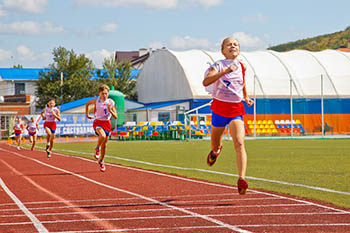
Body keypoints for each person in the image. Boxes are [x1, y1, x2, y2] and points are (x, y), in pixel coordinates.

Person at [203, 37, 254, 195]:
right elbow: (206, 82)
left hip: (235, 110)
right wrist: (225, 71)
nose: (233, 46)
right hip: (219, 110)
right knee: (215, 145)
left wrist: (246, 97)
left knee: (239, 143)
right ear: (223, 50)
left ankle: (241, 179)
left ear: (239, 49)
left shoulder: (241, 66)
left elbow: (242, 82)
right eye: (229, 44)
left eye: (236, 44)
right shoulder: (218, 65)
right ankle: (215, 152)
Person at [85, 84, 118, 172]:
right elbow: (87, 104)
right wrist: (87, 114)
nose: (104, 95)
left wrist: (111, 110)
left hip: (107, 123)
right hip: (98, 122)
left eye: (106, 93)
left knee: (105, 145)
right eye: (102, 93)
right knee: (102, 136)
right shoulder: (96, 101)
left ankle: (102, 161)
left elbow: (115, 116)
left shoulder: (111, 102)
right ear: (99, 93)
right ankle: (97, 148)